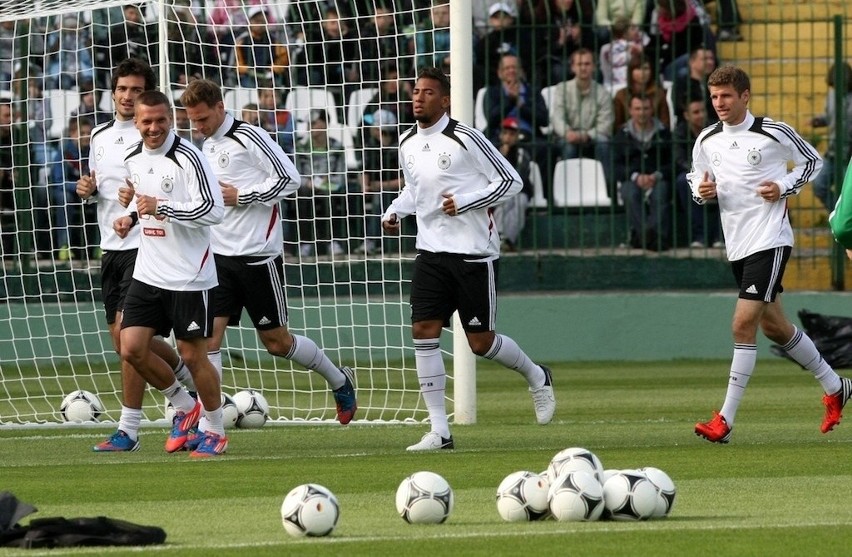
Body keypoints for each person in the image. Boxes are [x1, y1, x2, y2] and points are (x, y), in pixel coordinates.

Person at [381, 67, 555, 452]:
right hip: (430, 254)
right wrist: (395, 209)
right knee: (423, 331)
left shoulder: (465, 138)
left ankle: (537, 375)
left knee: (480, 342)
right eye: (416, 91)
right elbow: (415, 192)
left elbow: (511, 181)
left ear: (444, 100)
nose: (418, 97)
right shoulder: (407, 142)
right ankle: (440, 430)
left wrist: (465, 202)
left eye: (428, 92)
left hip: (474, 254)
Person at [178, 79, 357, 441]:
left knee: (276, 343)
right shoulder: (205, 146)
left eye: (202, 119)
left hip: (259, 257)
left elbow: (290, 180)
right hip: (219, 260)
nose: (198, 127)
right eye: (193, 121)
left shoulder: (252, 137)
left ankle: (339, 378)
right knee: (208, 341)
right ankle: (210, 426)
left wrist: (242, 195)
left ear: (219, 107)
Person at [689, 65, 852, 443]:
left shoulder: (771, 132)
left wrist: (782, 185)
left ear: (745, 96)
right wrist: (702, 191)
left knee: (742, 324)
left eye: (726, 96)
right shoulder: (707, 139)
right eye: (714, 97)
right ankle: (835, 386)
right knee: (774, 326)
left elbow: (813, 162)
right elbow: (695, 178)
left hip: (771, 237)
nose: (719, 104)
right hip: (737, 242)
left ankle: (724, 420)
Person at [77, 58, 198, 453]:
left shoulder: (156, 136)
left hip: (145, 246)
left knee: (131, 342)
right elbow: (105, 187)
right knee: (123, 343)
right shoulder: (99, 135)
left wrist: (139, 203)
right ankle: (186, 391)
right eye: (123, 89)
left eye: (136, 90)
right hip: (110, 246)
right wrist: (89, 188)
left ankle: (130, 429)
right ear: (113, 93)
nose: (129, 97)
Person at [113, 89, 227, 458]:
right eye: (147, 121)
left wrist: (164, 207)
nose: (154, 128)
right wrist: (129, 217)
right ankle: (183, 405)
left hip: (189, 276)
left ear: (171, 118)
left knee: (194, 356)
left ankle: (215, 429)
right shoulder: (133, 158)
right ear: (137, 122)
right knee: (131, 347)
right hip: (149, 271)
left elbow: (213, 210)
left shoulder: (190, 157)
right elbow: (143, 202)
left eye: (161, 120)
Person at [549, 48, 615, 196]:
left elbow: (606, 123)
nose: (583, 67)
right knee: (568, 146)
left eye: (587, 64)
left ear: (593, 66)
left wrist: (587, 135)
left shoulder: (602, 93)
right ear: (572, 67)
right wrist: (568, 133)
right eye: (579, 64)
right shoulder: (562, 89)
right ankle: (566, 192)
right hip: (568, 137)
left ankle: (608, 191)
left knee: (604, 142)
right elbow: (557, 118)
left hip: (592, 137)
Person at [613, 94, 674, 251]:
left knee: (661, 193)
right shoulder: (622, 135)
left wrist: (656, 175)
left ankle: (641, 237)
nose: (642, 112)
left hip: (658, 177)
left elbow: (672, 163)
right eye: (638, 109)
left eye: (646, 108)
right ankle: (653, 238)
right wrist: (635, 176)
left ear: (652, 109)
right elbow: (615, 166)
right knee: (629, 193)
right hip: (632, 179)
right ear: (630, 111)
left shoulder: (664, 133)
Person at [294, 110, 349, 257]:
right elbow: (295, 174)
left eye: (314, 123)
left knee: (330, 195)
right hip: (307, 186)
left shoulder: (337, 146)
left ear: (325, 125)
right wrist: (307, 182)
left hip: (329, 186)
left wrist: (328, 182)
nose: (309, 127)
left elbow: (341, 176)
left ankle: (332, 242)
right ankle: (305, 243)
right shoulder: (300, 147)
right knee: (303, 195)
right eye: (308, 124)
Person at [673, 98, 720, 248]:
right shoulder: (680, 132)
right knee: (682, 181)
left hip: (716, 173)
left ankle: (721, 236)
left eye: (703, 111)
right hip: (693, 174)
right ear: (687, 115)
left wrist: (713, 173)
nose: (700, 115)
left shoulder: (717, 128)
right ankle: (700, 236)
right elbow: (679, 160)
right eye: (695, 112)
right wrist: (699, 173)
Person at [359, 108, 403, 255]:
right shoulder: (371, 145)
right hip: (376, 188)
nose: (370, 128)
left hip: (395, 190)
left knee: (382, 196)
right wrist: (365, 186)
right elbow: (364, 170)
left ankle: (372, 241)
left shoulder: (399, 149)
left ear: (379, 129)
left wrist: (382, 186)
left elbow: (405, 181)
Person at [810, 62, 852, 212]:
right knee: (819, 185)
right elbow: (830, 117)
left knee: (847, 194)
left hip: (849, 155)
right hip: (833, 152)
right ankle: (840, 216)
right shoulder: (831, 96)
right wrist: (820, 121)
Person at [493, 116, 533, 252]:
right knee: (506, 201)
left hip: (520, 191)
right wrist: (501, 157)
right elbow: (491, 176)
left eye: (512, 134)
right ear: (500, 135)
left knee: (519, 201)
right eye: (505, 133)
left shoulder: (522, 153)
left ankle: (507, 239)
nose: (508, 137)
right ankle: (499, 238)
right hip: (499, 192)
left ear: (517, 136)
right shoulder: (493, 152)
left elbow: (519, 177)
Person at [612, 53, 671, 132]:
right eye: (638, 69)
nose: (642, 72)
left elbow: (665, 123)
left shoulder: (659, 94)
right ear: (631, 71)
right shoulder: (621, 94)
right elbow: (617, 125)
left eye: (646, 68)